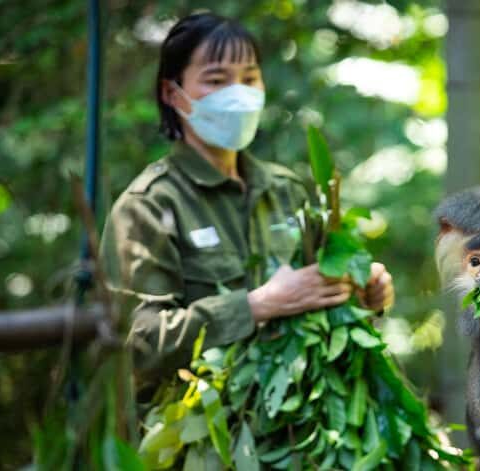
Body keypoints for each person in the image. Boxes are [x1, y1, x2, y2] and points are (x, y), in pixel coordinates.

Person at [99, 13, 394, 396]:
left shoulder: (287, 190)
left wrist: (366, 296)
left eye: (249, 78)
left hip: (295, 429)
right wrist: (254, 306)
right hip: (194, 437)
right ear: (172, 93)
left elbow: (327, 311)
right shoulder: (149, 207)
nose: (237, 93)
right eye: (216, 80)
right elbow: (137, 346)